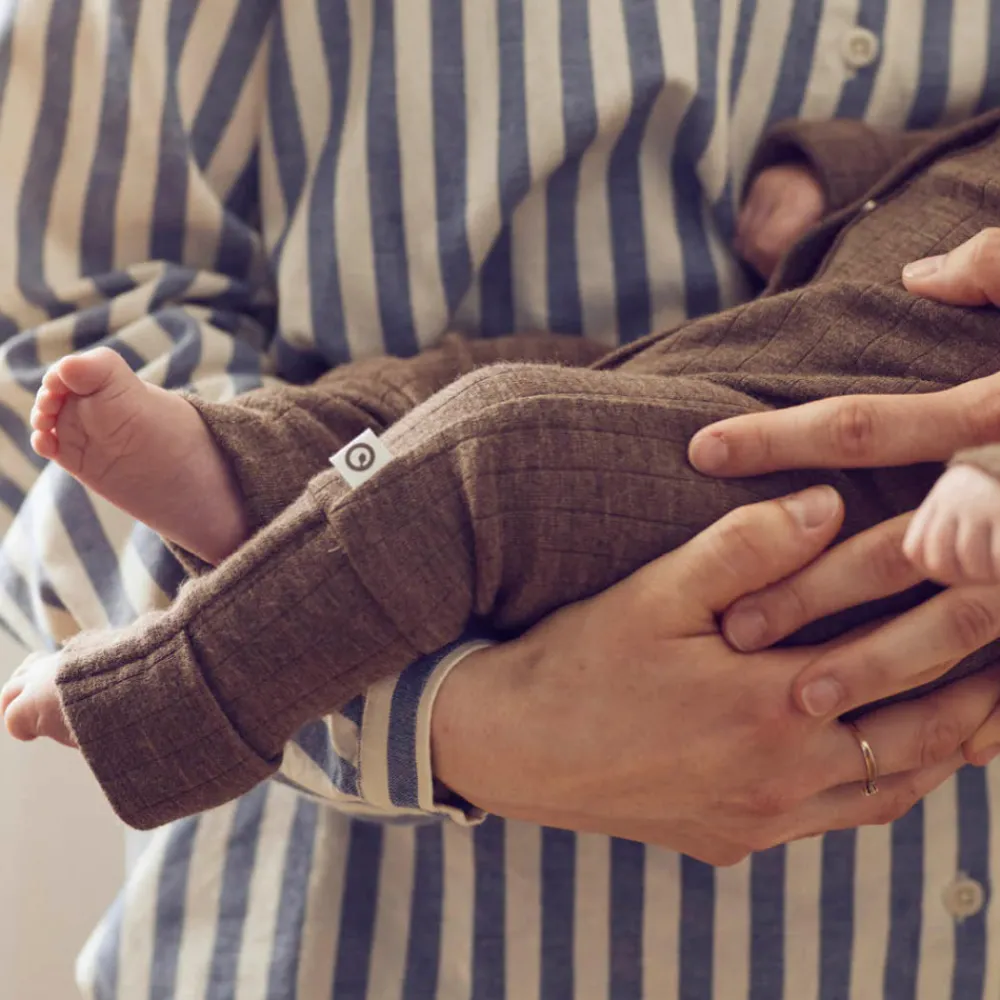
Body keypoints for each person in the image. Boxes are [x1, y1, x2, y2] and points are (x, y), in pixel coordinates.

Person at [3, 2, 1000, 998]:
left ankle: (176, 691)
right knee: (435, 402)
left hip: (826, 490)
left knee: (487, 463)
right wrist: (452, 723)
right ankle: (243, 466)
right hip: (374, 929)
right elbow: (51, 319)